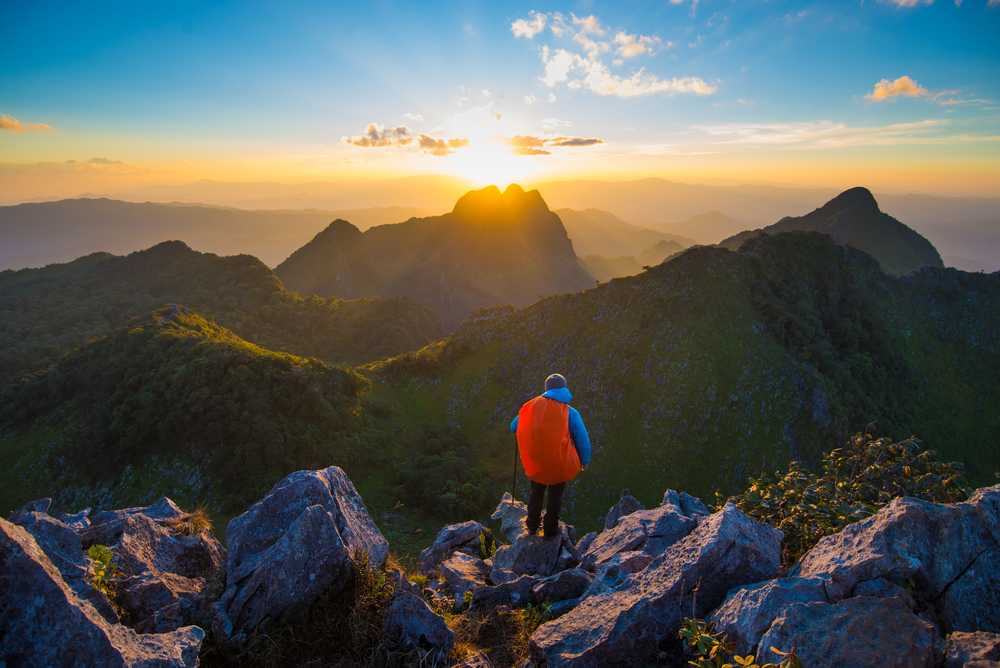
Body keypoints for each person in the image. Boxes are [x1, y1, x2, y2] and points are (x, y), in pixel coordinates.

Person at [509, 373, 592, 538]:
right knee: (555, 496)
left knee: (536, 493)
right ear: (564, 388)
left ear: (546, 389)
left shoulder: (532, 408)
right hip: (559, 464)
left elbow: (513, 426)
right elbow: (582, 438)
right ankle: (550, 530)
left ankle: (532, 526)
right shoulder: (570, 412)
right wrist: (585, 460)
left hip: (537, 463)